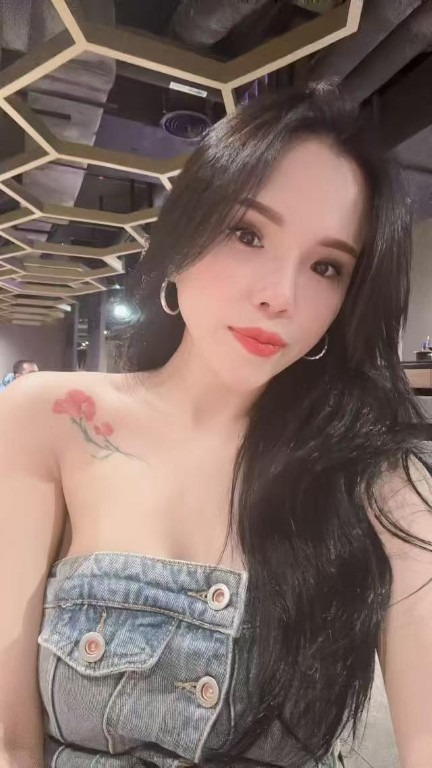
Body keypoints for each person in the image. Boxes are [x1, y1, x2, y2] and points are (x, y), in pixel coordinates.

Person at [0, 86, 431, 768]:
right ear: (183, 239)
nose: (280, 296)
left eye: (326, 266)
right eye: (248, 233)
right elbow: (10, 739)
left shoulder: (374, 477)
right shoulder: (51, 417)